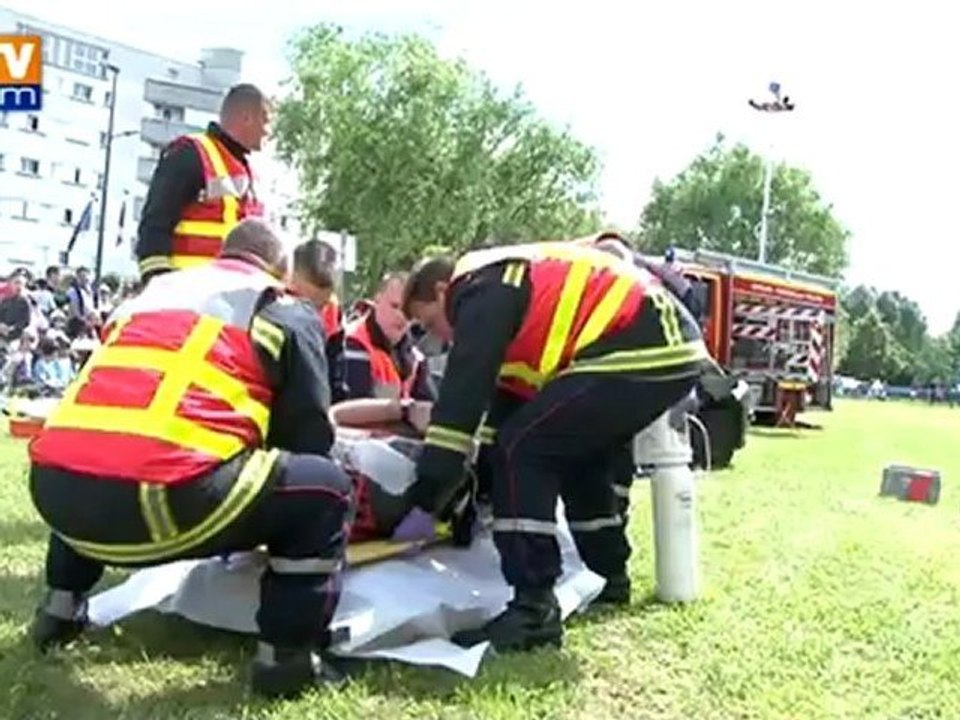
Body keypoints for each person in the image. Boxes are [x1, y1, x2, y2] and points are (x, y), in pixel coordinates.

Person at [28, 218, 354, 699]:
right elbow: (308, 435)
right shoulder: (278, 307)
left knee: (105, 446)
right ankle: (286, 662)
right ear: (279, 269)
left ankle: (59, 610)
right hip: (163, 502)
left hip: (54, 491)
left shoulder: (146, 298)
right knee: (325, 486)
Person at [402, 237, 708, 652]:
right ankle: (607, 575)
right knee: (571, 452)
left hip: (640, 341)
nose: (441, 338)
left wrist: (431, 484)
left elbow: (463, 392)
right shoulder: (509, 297)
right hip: (660, 343)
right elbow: (500, 412)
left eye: (431, 324)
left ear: (442, 290)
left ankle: (534, 610)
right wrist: (477, 482)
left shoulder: (477, 284)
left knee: (523, 449)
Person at [135, 84, 270, 282]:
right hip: (188, 293)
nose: (268, 131)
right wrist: (158, 286)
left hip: (234, 298)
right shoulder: (189, 154)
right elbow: (155, 225)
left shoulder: (250, 172)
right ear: (246, 118)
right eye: (266, 121)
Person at [342, 273, 436, 402]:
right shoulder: (352, 343)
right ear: (377, 300)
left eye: (408, 310)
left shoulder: (416, 358)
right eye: (395, 306)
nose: (401, 316)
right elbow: (354, 408)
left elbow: (430, 407)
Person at [289, 238, 347, 402]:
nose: (312, 316)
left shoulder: (334, 316)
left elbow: (336, 382)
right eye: (305, 304)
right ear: (291, 280)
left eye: (320, 306)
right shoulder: (270, 304)